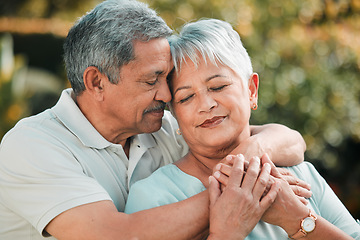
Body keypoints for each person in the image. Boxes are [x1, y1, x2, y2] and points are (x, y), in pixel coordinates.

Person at [0, 1, 309, 239]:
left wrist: (251, 155)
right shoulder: (31, 147)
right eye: (152, 80)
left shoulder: (161, 130)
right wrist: (241, 191)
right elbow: (118, 235)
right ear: (96, 83)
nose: (167, 94)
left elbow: (291, 141)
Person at [124, 18, 360, 239]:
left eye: (218, 86)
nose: (206, 105)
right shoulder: (154, 197)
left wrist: (297, 219)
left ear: (252, 90)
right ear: (174, 114)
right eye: (186, 98)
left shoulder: (300, 175)